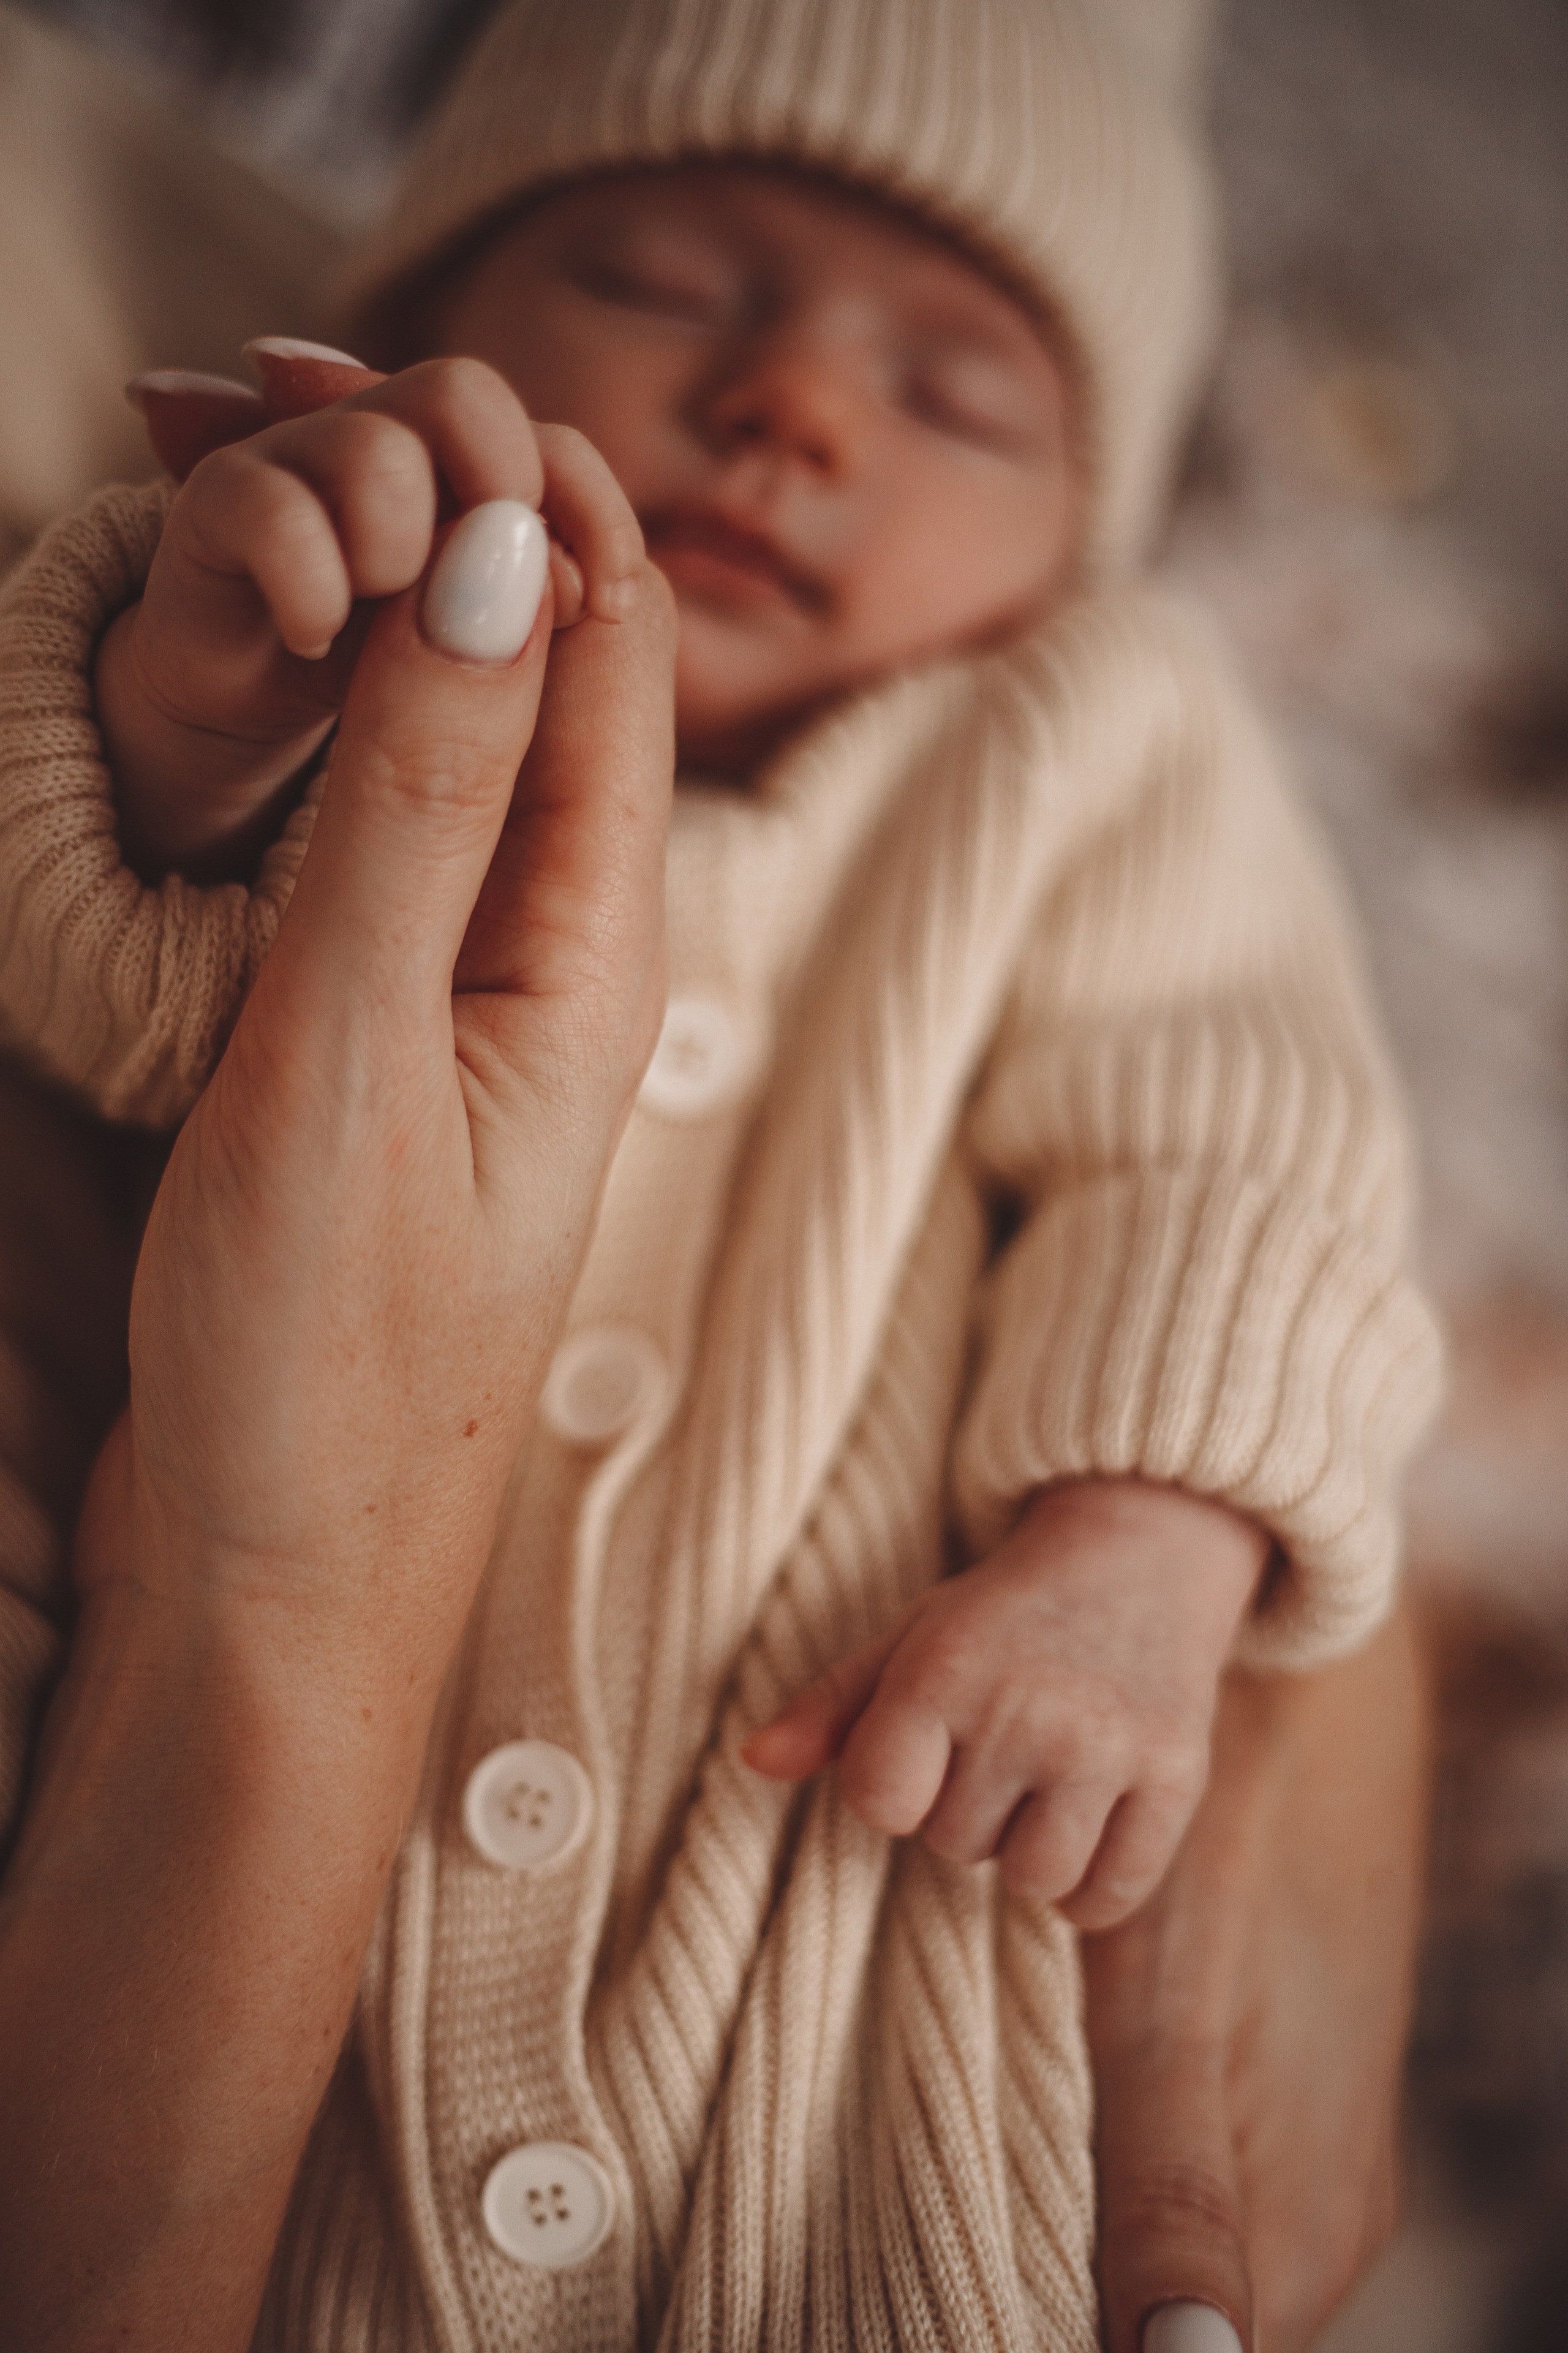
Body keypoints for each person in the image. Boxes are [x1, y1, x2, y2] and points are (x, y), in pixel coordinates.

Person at [0, 0, 1442, 2346]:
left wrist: (1139, 1550)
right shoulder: (384, 652)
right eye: (668, 282)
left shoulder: (1086, 742)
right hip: (282, 2003)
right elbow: (123, 1017)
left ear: (1085, 526)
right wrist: (192, 725)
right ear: (421, 341)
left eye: (961, 391)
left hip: (855, 1914)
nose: (799, 406)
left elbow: (1247, 1145)